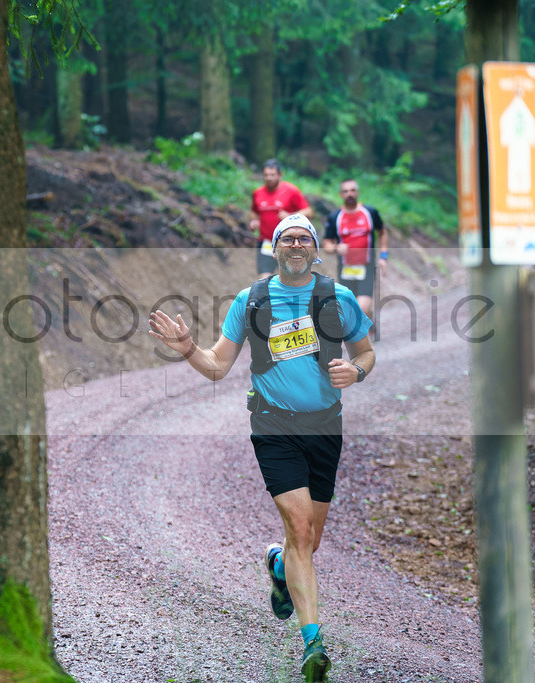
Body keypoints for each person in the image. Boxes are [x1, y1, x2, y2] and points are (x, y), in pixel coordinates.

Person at [149, 214, 374, 682]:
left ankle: (278, 563)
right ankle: (314, 643)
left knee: (307, 541)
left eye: (303, 238)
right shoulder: (250, 300)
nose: (295, 244)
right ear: (274, 248)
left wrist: (358, 372)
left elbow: (366, 352)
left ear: (316, 249)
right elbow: (216, 367)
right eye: (287, 238)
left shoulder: (340, 298)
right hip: (272, 424)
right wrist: (190, 347)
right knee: (298, 526)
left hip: (325, 425)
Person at [322, 179, 387, 322]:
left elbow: (382, 232)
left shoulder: (370, 212)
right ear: (340, 194)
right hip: (345, 268)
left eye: (352, 190)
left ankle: (362, 333)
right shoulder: (335, 217)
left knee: (361, 307)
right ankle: (370, 321)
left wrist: (383, 256)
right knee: (350, 308)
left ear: (357, 192)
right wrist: (335, 248)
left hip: (367, 266)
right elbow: (326, 244)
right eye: (345, 191)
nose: (349, 194)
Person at [250, 160, 313, 276]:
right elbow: (254, 212)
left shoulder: (291, 191)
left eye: (272, 175)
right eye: (266, 175)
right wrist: (254, 221)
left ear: (280, 175)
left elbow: (308, 211)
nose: (269, 178)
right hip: (267, 242)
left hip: (289, 242)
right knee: (264, 278)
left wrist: (291, 216)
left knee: (289, 278)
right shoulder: (258, 193)